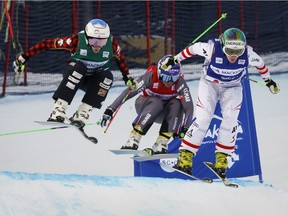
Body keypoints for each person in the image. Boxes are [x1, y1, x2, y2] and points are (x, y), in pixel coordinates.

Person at [161, 28, 280, 177]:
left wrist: (269, 81)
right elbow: (193, 48)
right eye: (229, 50)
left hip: (233, 87)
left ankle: (222, 160)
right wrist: (175, 59)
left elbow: (261, 65)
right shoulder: (211, 49)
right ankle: (185, 158)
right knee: (203, 118)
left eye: (238, 51)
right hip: (209, 85)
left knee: (231, 120)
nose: (233, 56)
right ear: (223, 45)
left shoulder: (248, 54)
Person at [13, 19, 137, 128]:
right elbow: (46, 44)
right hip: (74, 74)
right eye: (94, 41)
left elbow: (121, 59)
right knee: (79, 68)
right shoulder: (76, 41)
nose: (97, 45)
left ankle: (82, 113)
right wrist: (24, 57)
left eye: (101, 41)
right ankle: (59, 111)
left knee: (108, 77)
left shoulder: (112, 44)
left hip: (91, 82)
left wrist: (127, 77)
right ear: (87, 37)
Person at [100, 55, 194, 154]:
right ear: (159, 72)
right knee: (156, 102)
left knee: (177, 103)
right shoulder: (151, 76)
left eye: (173, 77)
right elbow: (129, 93)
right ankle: (134, 137)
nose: (170, 82)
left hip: (164, 114)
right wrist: (111, 109)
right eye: (166, 77)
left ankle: (161, 142)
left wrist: (186, 127)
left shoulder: (180, 82)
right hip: (145, 106)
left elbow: (189, 106)